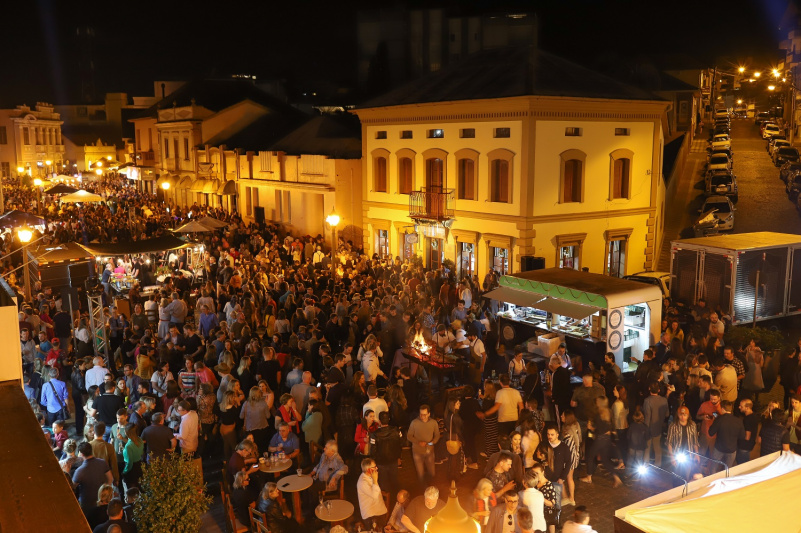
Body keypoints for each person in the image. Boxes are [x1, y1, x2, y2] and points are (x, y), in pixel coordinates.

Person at [72, 442, 113, 511]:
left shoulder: (79, 471)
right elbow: (110, 479)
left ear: (81, 454)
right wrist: (104, 494)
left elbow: (73, 486)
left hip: (86, 504)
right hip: (101, 501)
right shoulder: (102, 462)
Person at [370, 411, 402, 496]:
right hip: (393, 460)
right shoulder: (396, 431)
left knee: (383, 483)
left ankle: (386, 501)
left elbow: (373, 450)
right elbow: (400, 444)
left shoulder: (375, 434)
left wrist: (373, 462)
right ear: (389, 419)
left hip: (381, 462)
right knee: (394, 480)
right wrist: (399, 457)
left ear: (379, 421)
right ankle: (396, 499)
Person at [407, 405, 440, 487]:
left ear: (429, 414)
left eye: (424, 414)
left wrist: (434, 441)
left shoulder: (433, 423)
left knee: (432, 472)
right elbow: (409, 436)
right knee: (420, 474)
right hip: (417, 452)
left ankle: (432, 489)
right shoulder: (414, 423)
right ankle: (423, 490)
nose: (422, 417)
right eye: (421, 414)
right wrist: (418, 442)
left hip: (429, 452)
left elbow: (437, 435)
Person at [708, 400, 745, 469]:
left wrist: (714, 422)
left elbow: (711, 433)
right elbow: (742, 436)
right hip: (732, 450)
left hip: (719, 449)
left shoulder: (719, 419)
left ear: (722, 409)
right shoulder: (738, 421)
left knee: (713, 468)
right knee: (727, 470)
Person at [666, 406, 699, 479]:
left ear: (688, 415)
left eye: (685, 415)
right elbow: (669, 443)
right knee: (676, 476)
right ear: (678, 415)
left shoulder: (692, 425)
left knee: (686, 476)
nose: (683, 417)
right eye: (681, 415)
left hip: (689, 455)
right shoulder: (673, 426)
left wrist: (696, 454)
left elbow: (695, 441)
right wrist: (672, 457)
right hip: (676, 455)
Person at [642, 381, 668, 467]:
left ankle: (645, 465)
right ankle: (658, 464)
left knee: (647, 447)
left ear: (649, 389)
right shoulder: (664, 400)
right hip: (659, 427)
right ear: (659, 390)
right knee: (657, 447)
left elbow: (647, 417)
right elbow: (667, 414)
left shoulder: (647, 401)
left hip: (649, 428)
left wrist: (645, 429)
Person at [357, 457, 388, 528]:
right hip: (371, 514)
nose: (376, 468)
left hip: (379, 509)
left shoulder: (370, 476)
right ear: (369, 470)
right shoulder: (363, 482)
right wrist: (375, 481)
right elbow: (375, 496)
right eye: (374, 467)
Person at [736, 399, 759, 464]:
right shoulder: (754, 416)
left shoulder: (747, 420)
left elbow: (747, 437)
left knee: (741, 464)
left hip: (744, 446)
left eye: (741, 406)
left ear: (747, 408)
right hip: (750, 445)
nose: (739, 407)